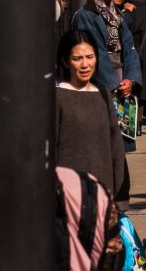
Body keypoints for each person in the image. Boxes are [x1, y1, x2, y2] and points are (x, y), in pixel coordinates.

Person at [54, 30, 130, 212]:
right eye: (77, 58)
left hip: (104, 196)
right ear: (65, 61)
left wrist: (120, 196)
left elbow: (116, 147)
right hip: (69, 198)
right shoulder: (57, 96)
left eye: (90, 57)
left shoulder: (102, 93)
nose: (85, 64)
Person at [64, 0, 141, 106]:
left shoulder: (118, 14)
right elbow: (95, 51)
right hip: (98, 78)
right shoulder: (85, 15)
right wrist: (115, 84)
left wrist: (131, 78)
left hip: (121, 75)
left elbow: (130, 47)